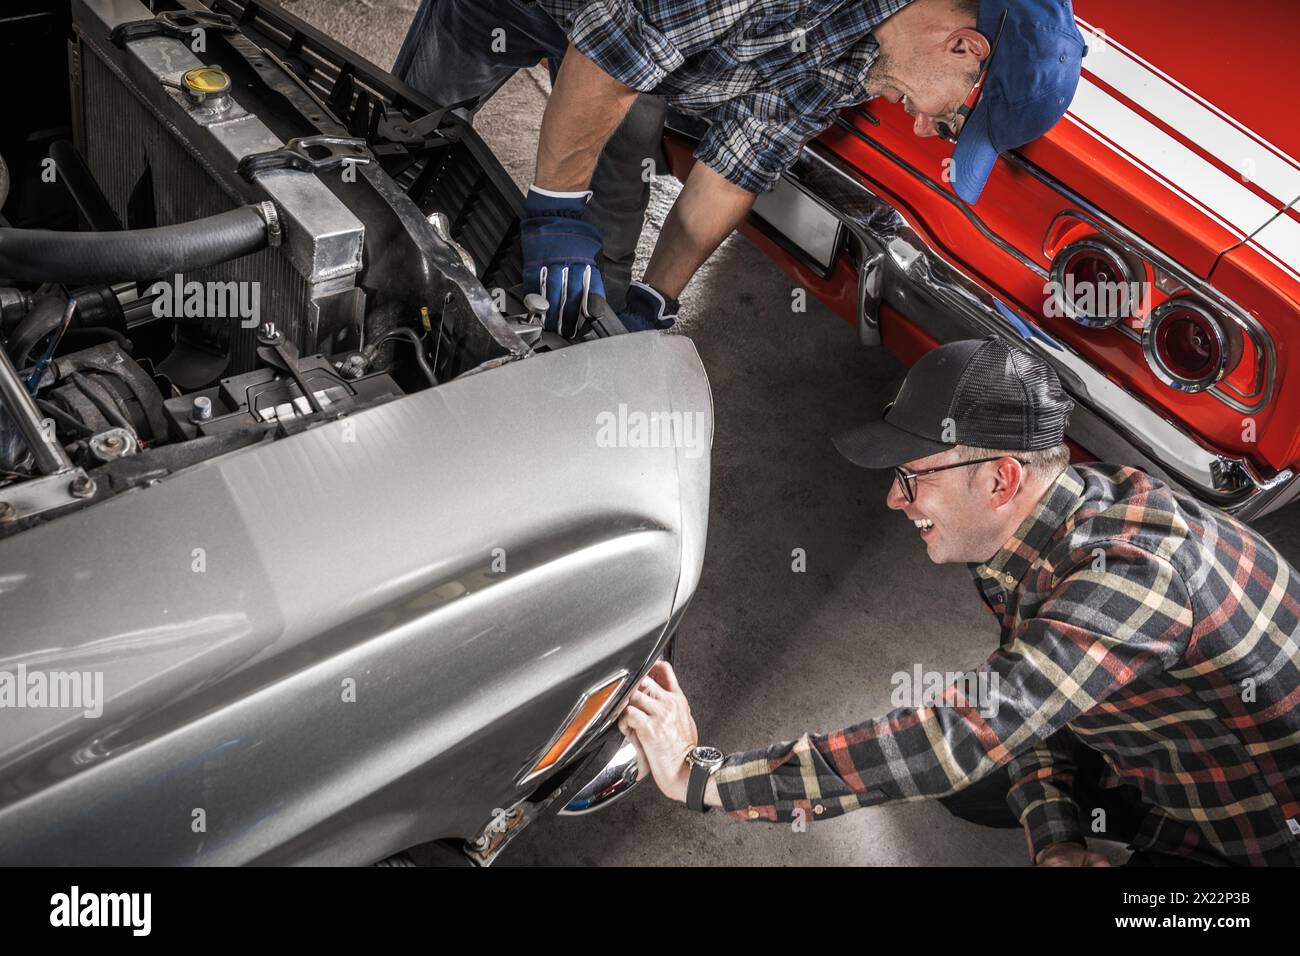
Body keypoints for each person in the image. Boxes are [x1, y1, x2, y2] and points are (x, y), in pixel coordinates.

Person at [619, 337, 1300, 866]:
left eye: (911, 477)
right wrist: (1055, 835)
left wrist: (700, 774)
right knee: (979, 785)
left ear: (1002, 479)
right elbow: (1029, 690)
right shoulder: (1057, 517)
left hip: (1256, 834)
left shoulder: (1134, 576)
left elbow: (954, 739)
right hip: (1164, 741)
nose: (894, 499)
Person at [393, 0, 1085, 336]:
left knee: (601, 262)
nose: (923, 125)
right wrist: (551, 206)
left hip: (640, 66)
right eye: (955, 119)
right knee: (407, 148)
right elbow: (608, 52)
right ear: (966, 48)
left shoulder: (867, 57)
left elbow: (741, 160)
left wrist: (657, 301)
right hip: (519, 9)